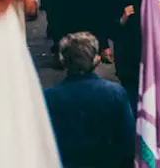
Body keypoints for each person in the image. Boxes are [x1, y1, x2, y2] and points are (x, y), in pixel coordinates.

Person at [43, 32, 134, 168]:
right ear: (96, 60)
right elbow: (128, 141)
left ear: (63, 61)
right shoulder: (115, 93)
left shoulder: (49, 97)